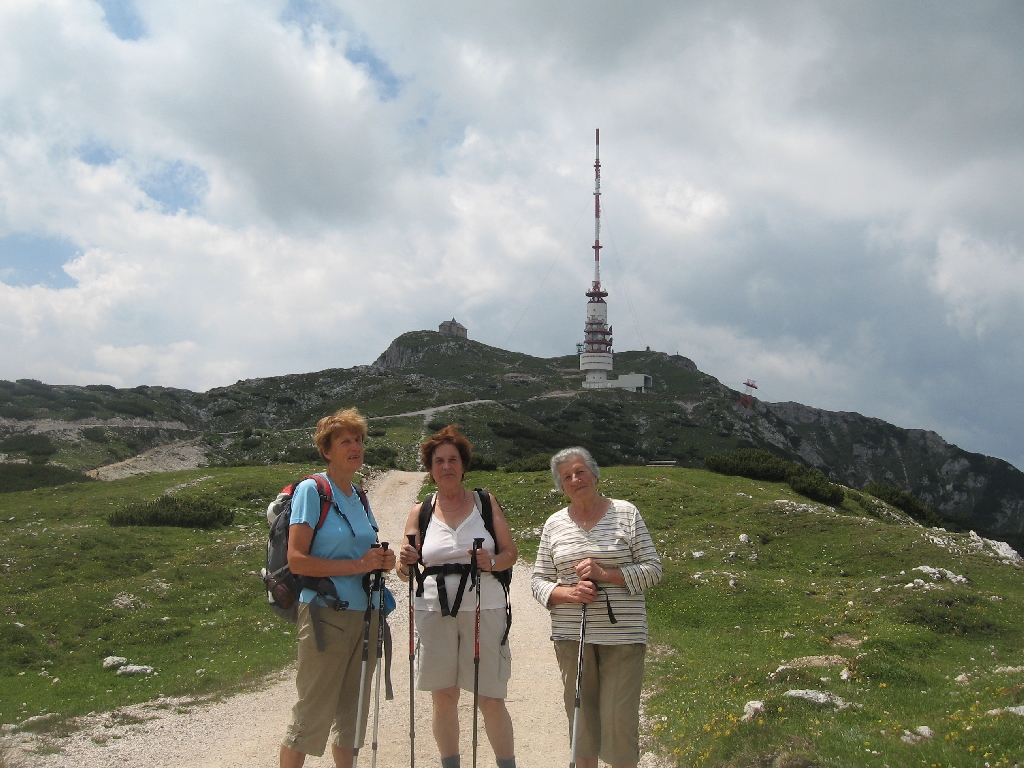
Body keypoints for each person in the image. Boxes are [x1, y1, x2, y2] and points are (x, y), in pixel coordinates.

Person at [532, 447, 663, 768]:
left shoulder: (626, 513)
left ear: (595, 474)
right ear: (561, 486)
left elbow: (653, 570)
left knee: (619, 723)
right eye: (567, 477)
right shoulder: (554, 524)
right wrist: (570, 593)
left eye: (580, 472)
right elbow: (538, 581)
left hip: (623, 637)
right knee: (582, 725)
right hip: (572, 638)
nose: (575, 480)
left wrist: (606, 574)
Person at [280, 408, 396, 768]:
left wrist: (382, 561)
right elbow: (297, 560)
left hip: (366, 616)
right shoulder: (312, 491)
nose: (355, 447)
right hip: (324, 614)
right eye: (345, 441)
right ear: (326, 450)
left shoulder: (359, 495)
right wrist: (359, 565)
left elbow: (364, 550)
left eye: (358, 440)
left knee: (352, 716)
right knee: (311, 713)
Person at [397, 425, 518, 768]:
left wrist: (491, 562)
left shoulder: (484, 503)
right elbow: (404, 571)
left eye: (453, 460)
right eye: (439, 461)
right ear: (430, 468)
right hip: (433, 609)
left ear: (464, 466)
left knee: (489, 697)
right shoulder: (420, 511)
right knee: (443, 696)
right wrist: (405, 562)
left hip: (485, 606)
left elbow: (510, 552)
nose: (446, 466)